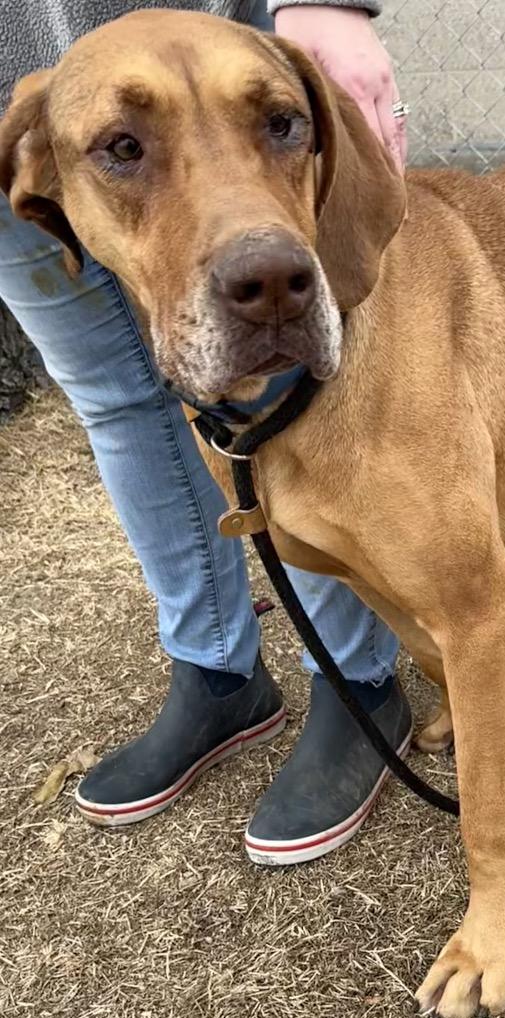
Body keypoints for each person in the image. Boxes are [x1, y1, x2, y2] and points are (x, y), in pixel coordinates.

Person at [0, 0, 410, 866]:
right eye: (127, 149)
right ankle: (218, 669)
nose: (253, 246)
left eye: (280, 129)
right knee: (117, 401)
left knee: (297, 391)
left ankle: (356, 678)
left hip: (215, 22)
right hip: (24, 101)